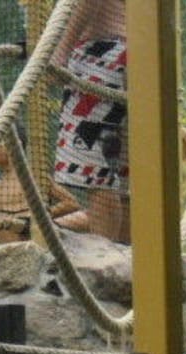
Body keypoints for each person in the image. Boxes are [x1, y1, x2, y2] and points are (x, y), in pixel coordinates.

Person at [52, 0, 129, 244]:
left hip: (101, 55)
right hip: (123, 52)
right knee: (113, 173)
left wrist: (60, 51)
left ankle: (104, 257)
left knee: (99, 174)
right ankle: (121, 258)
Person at [0, 135, 92, 253]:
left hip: (39, 235)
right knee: (5, 229)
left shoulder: (35, 177)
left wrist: (37, 218)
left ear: (13, 146)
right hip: (13, 246)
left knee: (86, 217)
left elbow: (71, 203)